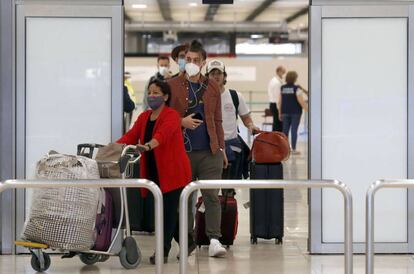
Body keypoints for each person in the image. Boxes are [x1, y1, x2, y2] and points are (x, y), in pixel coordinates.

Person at [117, 79, 192, 264]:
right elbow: (131, 135)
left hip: (173, 173)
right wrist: (112, 147)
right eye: (150, 92)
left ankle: (162, 252)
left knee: (166, 214)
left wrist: (147, 146)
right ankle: (189, 241)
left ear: (165, 96)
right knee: (167, 213)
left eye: (156, 93)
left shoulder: (172, 116)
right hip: (152, 174)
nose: (152, 96)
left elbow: (162, 136)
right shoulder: (144, 117)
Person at [168, 40, 228, 258]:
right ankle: (186, 240)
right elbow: (162, 118)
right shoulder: (172, 84)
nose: (190, 63)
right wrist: (180, 121)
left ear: (203, 63)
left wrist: (221, 148)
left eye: (195, 60)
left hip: (209, 151)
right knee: (185, 198)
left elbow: (218, 119)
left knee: (212, 196)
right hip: (181, 152)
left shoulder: (212, 86)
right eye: (188, 59)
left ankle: (214, 240)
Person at [206, 59, 259, 190]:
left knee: (229, 189)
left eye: (219, 73)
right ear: (207, 77)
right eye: (212, 73)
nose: (216, 76)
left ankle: (228, 207)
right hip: (209, 147)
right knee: (210, 191)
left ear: (224, 76)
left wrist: (251, 126)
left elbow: (246, 118)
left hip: (232, 147)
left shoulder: (235, 96)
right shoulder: (202, 97)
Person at [277, 71, 308, 155]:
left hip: (284, 112)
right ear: (295, 78)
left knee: (285, 131)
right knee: (294, 131)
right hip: (295, 113)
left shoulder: (282, 88)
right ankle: (293, 149)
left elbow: (279, 101)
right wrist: (308, 110)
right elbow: (300, 101)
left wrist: (279, 113)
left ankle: (285, 150)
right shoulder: (297, 88)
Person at [267, 66, 286, 132]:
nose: (284, 74)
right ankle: (276, 139)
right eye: (283, 72)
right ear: (278, 72)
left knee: (278, 123)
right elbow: (278, 96)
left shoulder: (277, 81)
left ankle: (277, 138)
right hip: (276, 104)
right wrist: (279, 108)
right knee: (278, 124)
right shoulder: (276, 82)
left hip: (275, 104)